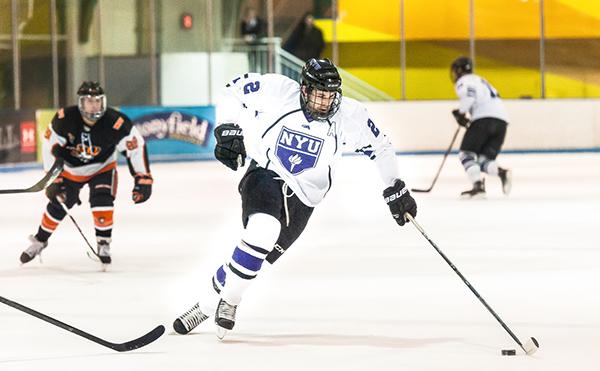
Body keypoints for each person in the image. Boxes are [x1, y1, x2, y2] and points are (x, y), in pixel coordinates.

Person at [172, 58, 418, 339]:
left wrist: (395, 187)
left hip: (305, 197)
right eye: (319, 94)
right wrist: (227, 128)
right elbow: (233, 89)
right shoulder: (278, 90)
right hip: (265, 173)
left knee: (255, 260)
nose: (325, 102)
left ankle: (205, 306)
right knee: (263, 231)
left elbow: (381, 146)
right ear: (304, 89)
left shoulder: (349, 115)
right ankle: (231, 302)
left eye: (330, 95)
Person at [20, 81, 152, 266]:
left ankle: (103, 243)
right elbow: (50, 147)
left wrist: (143, 178)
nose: (94, 105)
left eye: (98, 100)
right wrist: (53, 180)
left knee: (102, 199)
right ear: (81, 102)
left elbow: (135, 147)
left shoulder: (116, 122)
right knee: (60, 202)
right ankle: (40, 240)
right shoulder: (65, 118)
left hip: (102, 168)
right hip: (70, 170)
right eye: (89, 101)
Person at [450, 56, 512, 199]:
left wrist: (460, 113)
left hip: (484, 119)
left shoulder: (464, 81)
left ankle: (478, 187)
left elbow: (470, 96)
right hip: (502, 122)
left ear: (459, 71)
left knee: (466, 154)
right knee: (483, 160)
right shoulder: (481, 80)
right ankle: (502, 173)